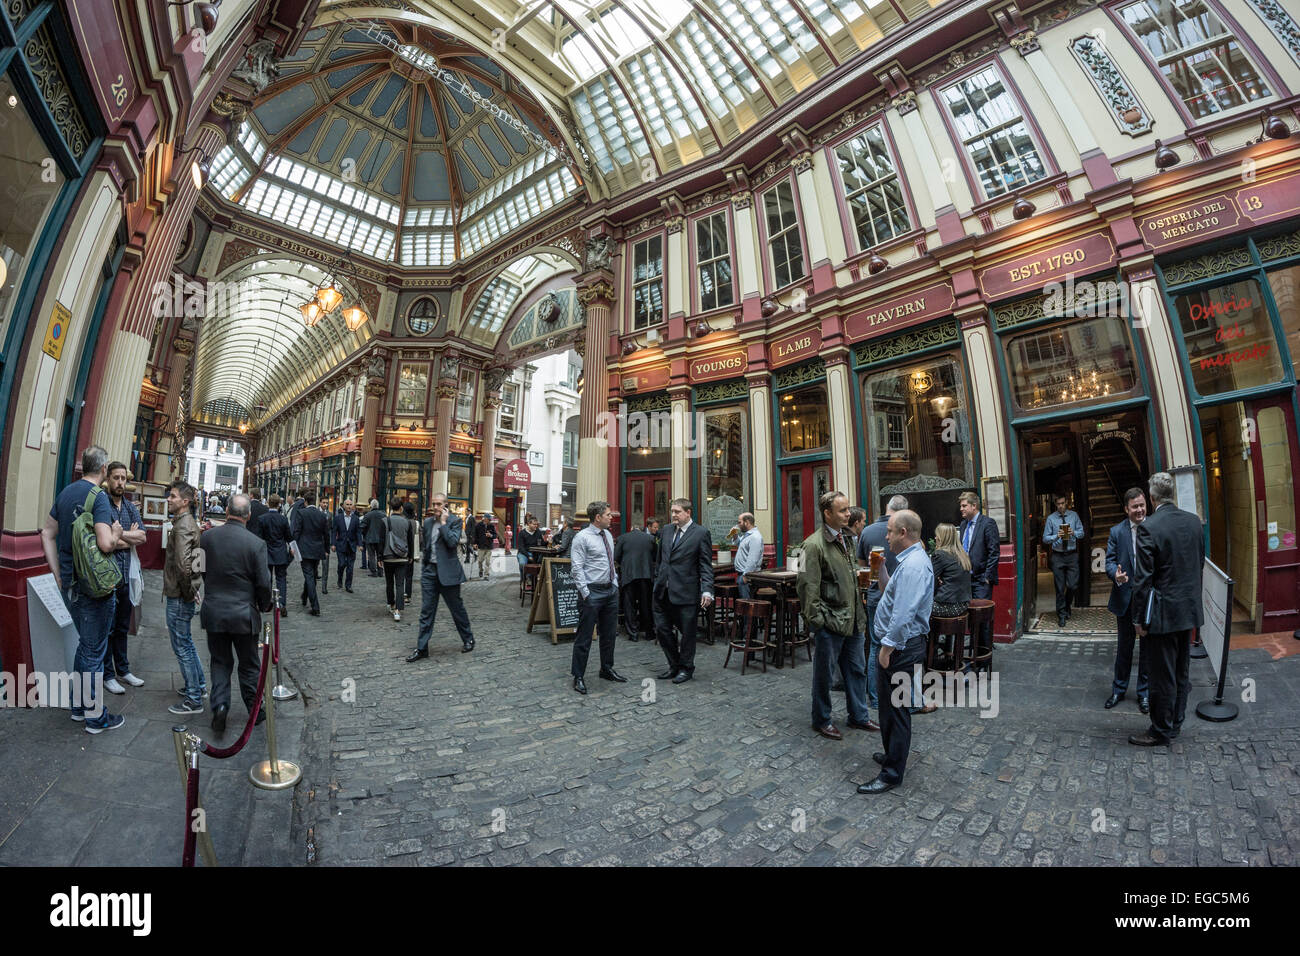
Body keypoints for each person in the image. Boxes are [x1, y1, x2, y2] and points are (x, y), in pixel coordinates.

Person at [40, 445, 125, 734]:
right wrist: (116, 533)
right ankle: (95, 717)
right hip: (94, 588)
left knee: (85, 646)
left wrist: (56, 572)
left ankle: (79, 707)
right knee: (94, 652)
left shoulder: (66, 492)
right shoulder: (99, 497)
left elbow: (47, 533)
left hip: (70, 584)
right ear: (103, 470)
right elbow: (104, 544)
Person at [859, 509, 933, 795]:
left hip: (901, 647)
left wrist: (886, 649)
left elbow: (903, 614)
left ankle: (892, 773)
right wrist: (880, 571)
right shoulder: (907, 561)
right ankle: (892, 756)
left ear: (903, 533)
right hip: (899, 644)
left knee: (897, 710)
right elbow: (892, 593)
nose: (886, 536)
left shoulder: (914, 565)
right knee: (890, 709)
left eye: (890, 531)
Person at [1129, 473, 1203, 747]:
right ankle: (1176, 722)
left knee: (1162, 674)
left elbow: (1143, 578)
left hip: (1162, 614)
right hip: (1188, 610)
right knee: (1182, 671)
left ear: (1152, 497)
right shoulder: (1193, 522)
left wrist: (1138, 618)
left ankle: (1160, 729)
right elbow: (1198, 565)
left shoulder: (1150, 527)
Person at [798, 492, 873, 742]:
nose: (848, 514)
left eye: (847, 510)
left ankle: (859, 715)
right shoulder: (812, 545)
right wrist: (818, 622)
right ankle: (821, 719)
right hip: (830, 621)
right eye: (842, 511)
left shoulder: (848, 538)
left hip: (852, 617)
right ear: (827, 513)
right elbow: (807, 589)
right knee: (825, 674)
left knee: (856, 670)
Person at [199, 494, 273, 735]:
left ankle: (220, 705)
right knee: (249, 664)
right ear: (248, 515)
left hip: (215, 612)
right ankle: (254, 709)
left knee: (220, 662)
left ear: (227, 511)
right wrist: (264, 604)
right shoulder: (256, 544)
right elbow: (263, 582)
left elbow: (199, 568)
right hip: (244, 613)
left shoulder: (207, 537)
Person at [855, 494, 907, 721]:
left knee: (876, 645)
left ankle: (875, 696)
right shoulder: (908, 529)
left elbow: (862, 568)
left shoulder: (867, 531)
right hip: (903, 597)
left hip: (876, 596)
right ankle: (900, 695)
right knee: (902, 643)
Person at [651, 498, 713, 685]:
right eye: (672, 511)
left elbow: (705, 565)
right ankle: (674, 664)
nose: (674, 515)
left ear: (688, 512)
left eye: (677, 511)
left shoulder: (701, 533)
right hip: (662, 591)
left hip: (686, 592)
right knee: (662, 630)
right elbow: (661, 559)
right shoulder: (667, 530)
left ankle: (686, 668)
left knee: (687, 633)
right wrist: (657, 579)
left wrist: (707, 591)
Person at [405, 493, 475, 660]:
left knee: (457, 609)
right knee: (426, 611)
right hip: (430, 573)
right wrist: (425, 569)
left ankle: (468, 638)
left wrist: (443, 523)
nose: (435, 507)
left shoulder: (455, 521)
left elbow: (452, 542)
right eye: (433, 504)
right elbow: (427, 547)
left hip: (449, 574)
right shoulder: (427, 522)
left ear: (445, 505)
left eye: (438, 504)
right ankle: (422, 649)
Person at [568, 501, 625, 694]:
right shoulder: (581, 538)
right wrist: (586, 593)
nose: (612, 517)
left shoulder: (608, 535)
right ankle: (579, 676)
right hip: (592, 592)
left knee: (609, 634)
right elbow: (576, 568)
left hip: (610, 591)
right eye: (608, 514)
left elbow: (610, 562)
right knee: (584, 636)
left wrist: (614, 584)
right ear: (598, 517)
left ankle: (606, 668)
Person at [101, 462, 146, 696]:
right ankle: (108, 675)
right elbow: (102, 541)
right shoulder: (102, 504)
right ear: (108, 478)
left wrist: (118, 534)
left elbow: (143, 536)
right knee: (107, 627)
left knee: (121, 626)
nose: (120, 483)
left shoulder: (130, 507)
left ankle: (124, 670)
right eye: (116, 478)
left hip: (127, 576)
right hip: (107, 577)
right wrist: (128, 537)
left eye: (123, 478)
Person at [1105, 488, 1151, 714]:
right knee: (1125, 647)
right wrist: (1116, 574)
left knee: (1146, 648)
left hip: (1147, 600)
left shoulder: (1154, 527)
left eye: (1142, 505)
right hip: (1125, 598)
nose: (1140, 510)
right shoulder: (1117, 532)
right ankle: (1119, 689)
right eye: (1135, 506)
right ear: (1126, 509)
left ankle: (1144, 693)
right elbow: (1110, 562)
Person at [164, 481, 207, 716]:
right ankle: (199, 686)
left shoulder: (182, 527)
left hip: (179, 596)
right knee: (187, 642)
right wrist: (197, 585)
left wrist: (190, 593)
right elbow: (199, 558)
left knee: (181, 645)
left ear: (185, 502)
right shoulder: (190, 524)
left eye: (172, 496)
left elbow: (183, 566)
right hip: (186, 592)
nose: (168, 499)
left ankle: (193, 698)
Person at [958, 490, 999, 664]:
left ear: (974, 506)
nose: (961, 509)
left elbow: (994, 552)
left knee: (982, 620)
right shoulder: (963, 525)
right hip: (966, 581)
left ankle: (983, 659)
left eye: (964, 505)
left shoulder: (987, 523)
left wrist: (987, 577)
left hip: (982, 579)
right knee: (971, 619)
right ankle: (974, 654)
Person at [930, 523, 972, 677]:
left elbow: (929, 580)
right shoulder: (962, 553)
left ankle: (929, 657)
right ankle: (946, 652)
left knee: (917, 612)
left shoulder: (940, 554)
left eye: (937, 535)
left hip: (948, 606)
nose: (935, 538)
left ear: (943, 538)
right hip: (963, 605)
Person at [1043, 493, 1085, 627]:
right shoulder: (1051, 518)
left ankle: (1067, 606)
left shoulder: (1074, 516)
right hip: (1058, 556)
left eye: (1062, 503)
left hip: (1072, 555)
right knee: (1060, 588)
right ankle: (1061, 614)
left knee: (1073, 585)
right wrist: (1056, 536)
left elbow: (1082, 532)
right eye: (1058, 504)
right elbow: (1045, 538)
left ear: (1066, 502)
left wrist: (1073, 533)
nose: (1061, 506)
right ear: (1055, 505)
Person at [615, 519, 656, 643]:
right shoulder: (650, 539)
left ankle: (633, 633)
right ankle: (649, 632)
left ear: (631, 528)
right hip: (646, 575)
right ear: (641, 529)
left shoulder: (622, 538)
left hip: (629, 576)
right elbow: (655, 556)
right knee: (646, 604)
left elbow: (616, 557)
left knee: (629, 605)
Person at [254, 493, 294, 615]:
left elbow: (259, 538)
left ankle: (266, 603)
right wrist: (292, 548)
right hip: (280, 552)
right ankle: (282, 604)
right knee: (281, 578)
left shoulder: (262, 519)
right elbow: (288, 537)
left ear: (268, 503)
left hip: (266, 553)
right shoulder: (283, 519)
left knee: (267, 579)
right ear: (279, 505)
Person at [291, 491, 329, 616]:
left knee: (309, 576)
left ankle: (315, 606)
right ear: (315, 502)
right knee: (312, 575)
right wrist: (326, 549)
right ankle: (304, 595)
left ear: (306, 502)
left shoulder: (301, 513)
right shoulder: (322, 515)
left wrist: (293, 547)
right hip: (317, 550)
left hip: (304, 550)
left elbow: (296, 531)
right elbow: (326, 534)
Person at [379, 496, 413, 620]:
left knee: (389, 582)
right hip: (402, 557)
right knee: (400, 584)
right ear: (401, 508)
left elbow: (381, 541)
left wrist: (379, 558)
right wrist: (410, 556)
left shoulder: (384, 521)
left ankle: (391, 603)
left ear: (390, 507)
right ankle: (398, 610)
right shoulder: (407, 522)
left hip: (388, 556)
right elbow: (410, 541)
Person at [332, 498, 361, 593]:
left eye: (350, 504)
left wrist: (360, 544)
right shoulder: (338, 518)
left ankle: (348, 585)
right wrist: (333, 544)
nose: (349, 506)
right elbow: (334, 532)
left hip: (351, 546)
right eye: (347, 504)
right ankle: (339, 578)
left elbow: (358, 532)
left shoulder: (356, 519)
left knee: (350, 567)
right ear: (344, 506)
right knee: (341, 564)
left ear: (352, 506)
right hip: (341, 545)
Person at [516, 513, 545, 583]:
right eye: (534, 524)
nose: (536, 526)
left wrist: (549, 542)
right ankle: (523, 579)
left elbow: (542, 543)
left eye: (536, 524)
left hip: (535, 553)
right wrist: (528, 556)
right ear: (529, 524)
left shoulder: (538, 532)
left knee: (540, 563)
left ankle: (530, 578)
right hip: (523, 553)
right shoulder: (522, 533)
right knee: (522, 564)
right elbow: (521, 547)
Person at [361, 498, 385, 576]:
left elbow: (362, 527)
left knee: (371, 556)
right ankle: (380, 571)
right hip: (380, 539)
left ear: (371, 506)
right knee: (380, 555)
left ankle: (374, 571)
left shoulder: (368, 515)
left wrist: (365, 535)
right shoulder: (383, 515)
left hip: (370, 538)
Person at [475, 515, 495, 579]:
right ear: (485, 519)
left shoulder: (491, 526)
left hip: (489, 546)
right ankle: (481, 570)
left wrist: (491, 535)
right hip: (481, 546)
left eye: (490, 520)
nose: (490, 521)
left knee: (488, 561)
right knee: (480, 561)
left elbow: (495, 535)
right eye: (489, 519)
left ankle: (486, 575)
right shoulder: (478, 525)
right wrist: (475, 543)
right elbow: (475, 535)